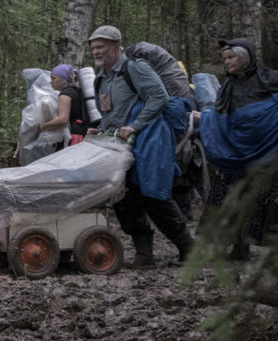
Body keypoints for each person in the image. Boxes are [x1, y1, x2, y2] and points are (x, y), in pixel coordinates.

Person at [86, 25, 194, 266]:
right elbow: (110, 113)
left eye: (101, 46)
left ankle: (189, 249)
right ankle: (144, 253)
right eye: (93, 48)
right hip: (119, 145)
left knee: (153, 194)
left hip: (148, 139)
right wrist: (100, 129)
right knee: (123, 197)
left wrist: (136, 125)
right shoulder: (102, 78)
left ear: (116, 46)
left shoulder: (135, 68)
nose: (96, 52)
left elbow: (159, 97)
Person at [196, 38, 278, 259]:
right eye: (225, 58)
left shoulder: (270, 79)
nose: (227, 62)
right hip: (236, 156)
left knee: (266, 199)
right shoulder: (228, 87)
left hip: (268, 154)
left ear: (246, 58)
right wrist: (204, 119)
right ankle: (239, 247)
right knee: (234, 199)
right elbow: (219, 118)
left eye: (231, 57)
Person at [39, 64, 87, 146]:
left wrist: (42, 126)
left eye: (54, 78)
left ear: (64, 80)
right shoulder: (76, 91)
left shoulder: (65, 94)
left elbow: (63, 120)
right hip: (81, 134)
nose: (51, 81)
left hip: (72, 138)